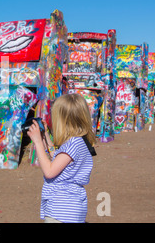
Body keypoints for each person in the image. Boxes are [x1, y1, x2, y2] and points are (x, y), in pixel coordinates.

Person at [27, 93, 95, 223]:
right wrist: (46, 136)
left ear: (62, 120)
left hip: (61, 210)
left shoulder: (72, 145)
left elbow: (50, 171)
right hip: (72, 207)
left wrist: (38, 143)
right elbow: (58, 159)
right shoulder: (78, 141)